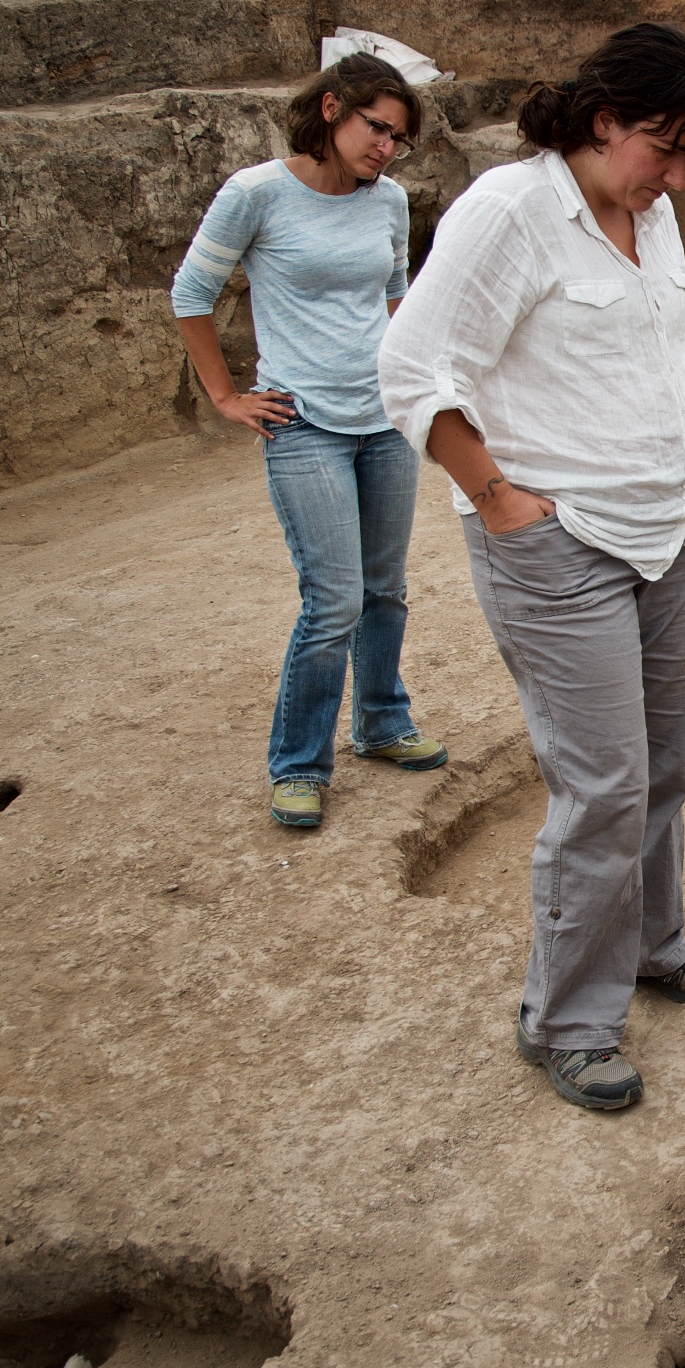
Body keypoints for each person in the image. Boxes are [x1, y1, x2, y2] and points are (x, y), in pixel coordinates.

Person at [377, 24, 685, 1114]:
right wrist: (495, 499)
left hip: (673, 530)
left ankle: (650, 942)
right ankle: (567, 1021)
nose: (676, 176)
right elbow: (411, 365)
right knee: (602, 787)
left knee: (665, 763)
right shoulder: (508, 211)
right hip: (559, 545)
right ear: (600, 121)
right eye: (664, 149)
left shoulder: (650, 210)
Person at [173, 52, 448, 833]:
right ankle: (298, 765)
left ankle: (382, 723)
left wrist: (418, 388)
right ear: (331, 109)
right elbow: (191, 292)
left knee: (384, 589)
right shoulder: (256, 194)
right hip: (303, 426)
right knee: (332, 601)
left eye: (398, 137)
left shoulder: (389, 201)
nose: (386, 148)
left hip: (384, 420)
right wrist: (225, 396)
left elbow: (397, 298)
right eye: (376, 127)